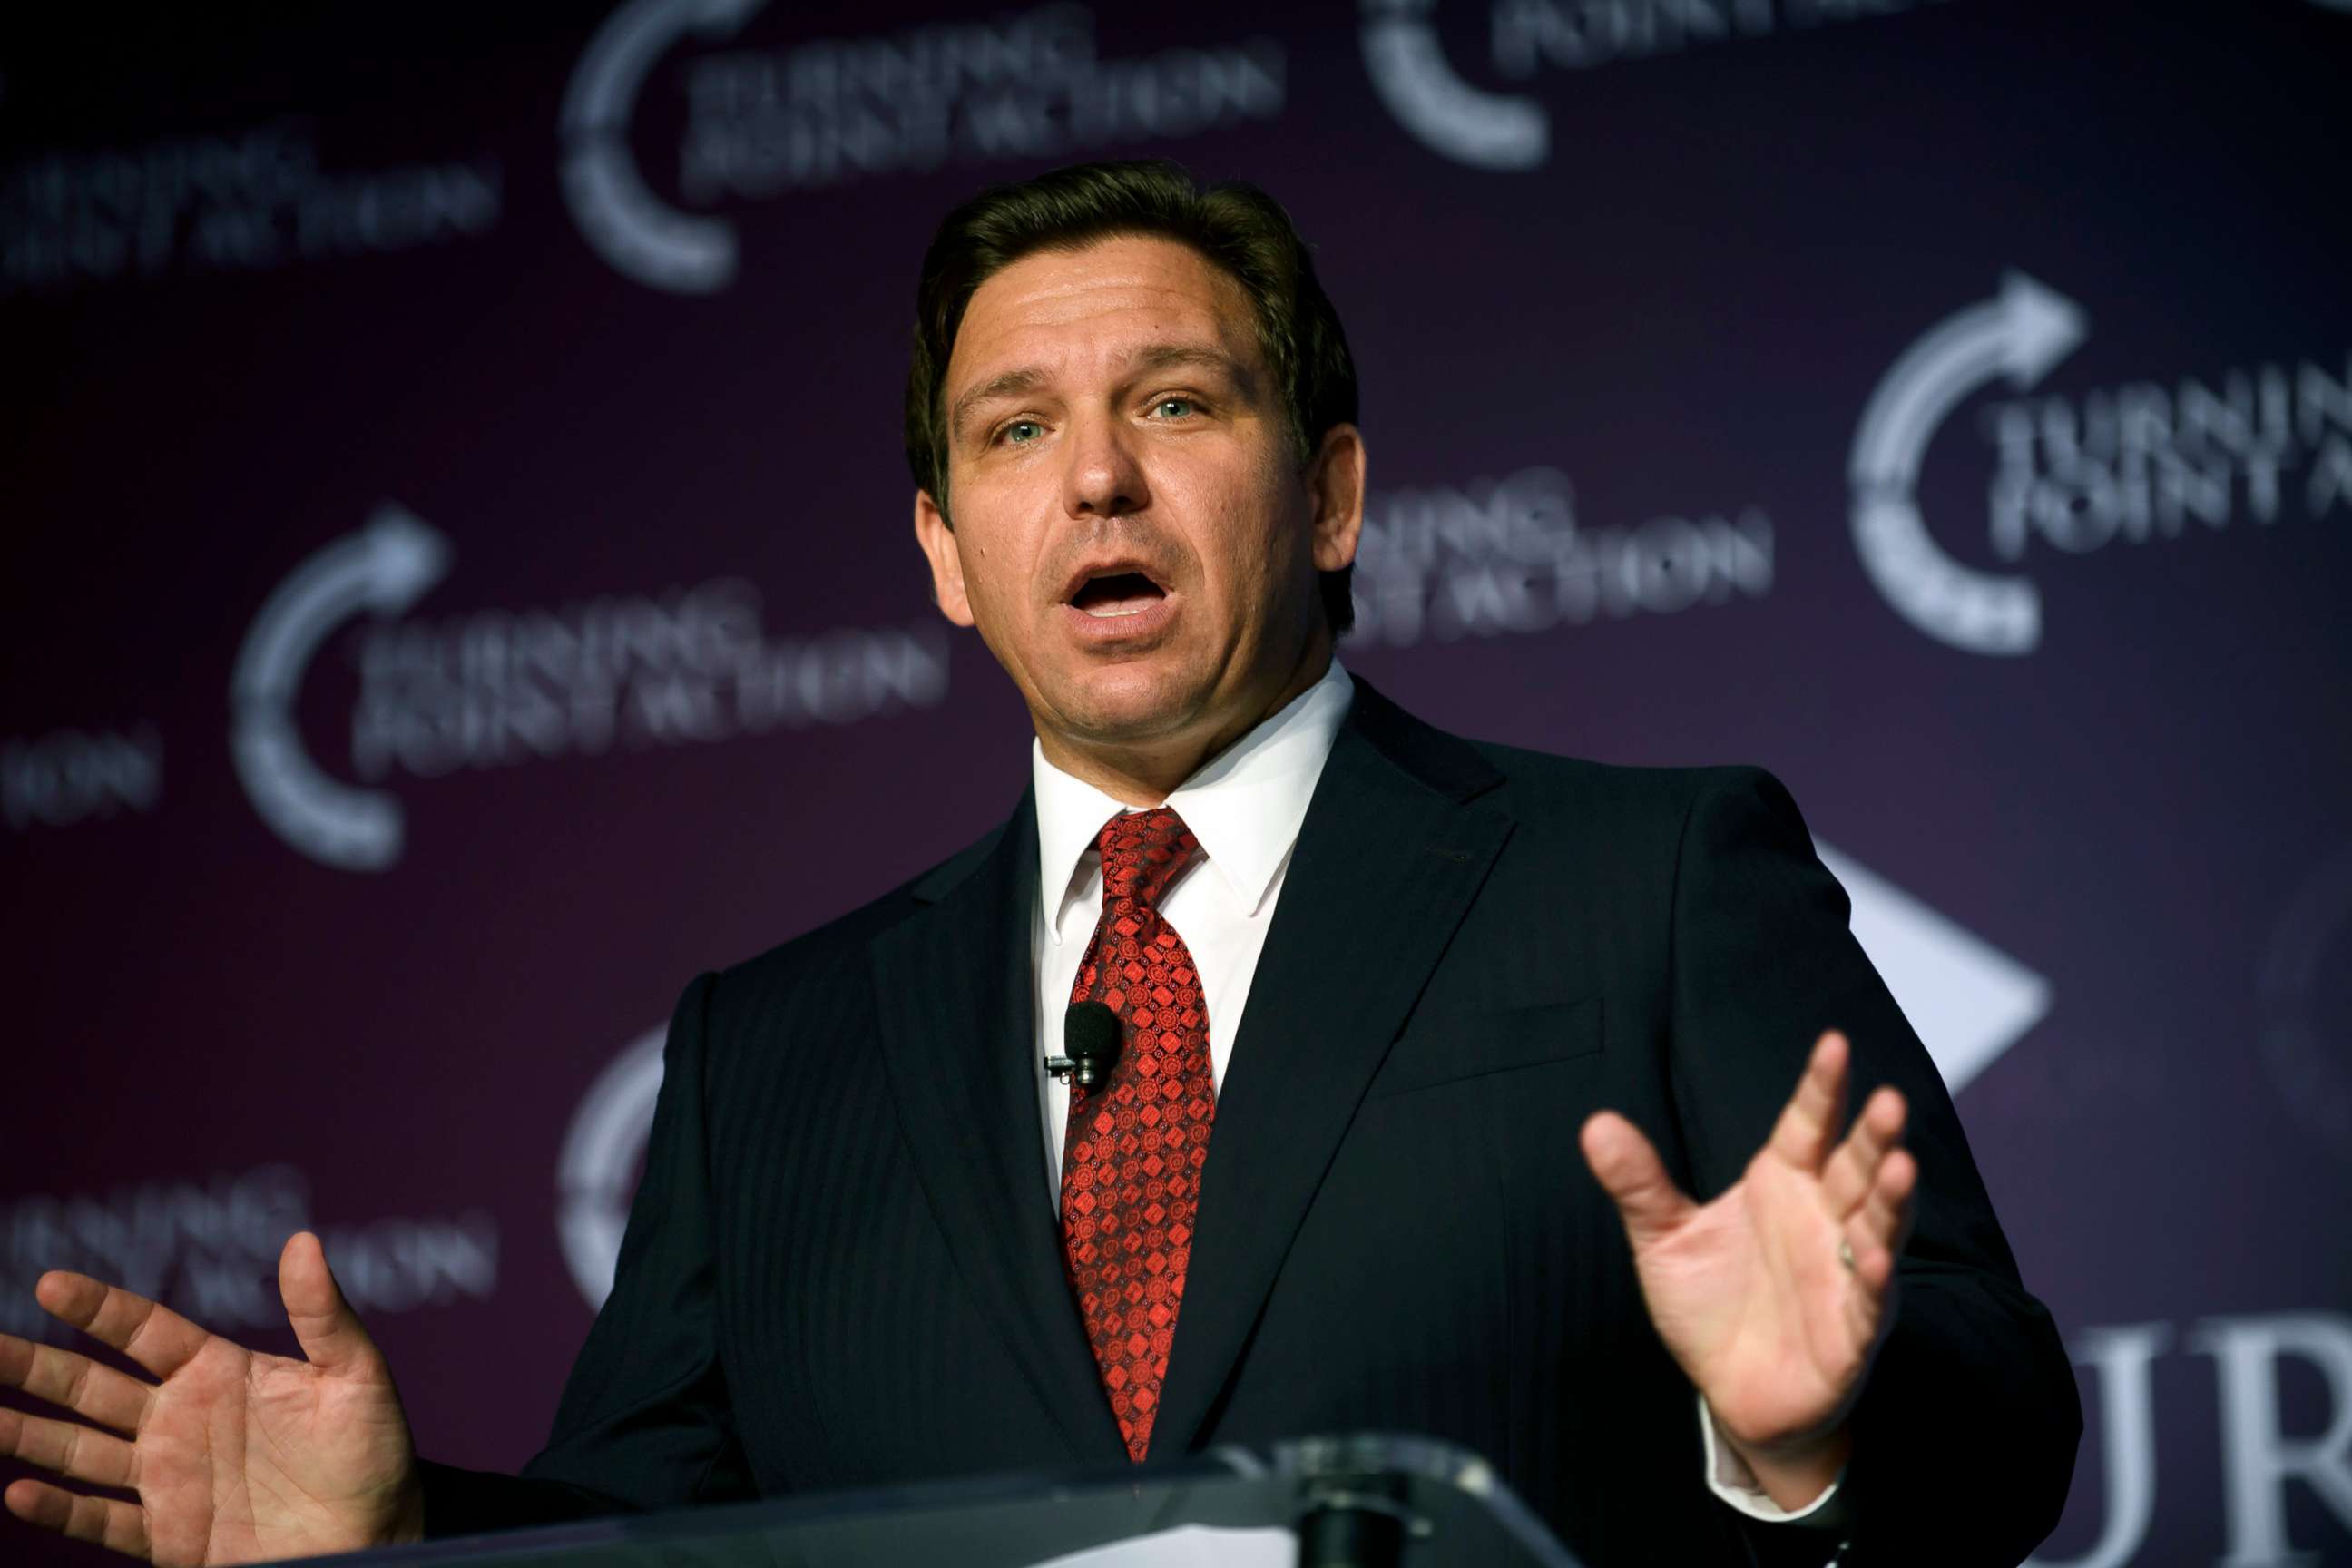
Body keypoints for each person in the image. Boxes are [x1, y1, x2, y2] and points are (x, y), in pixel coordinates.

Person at [0, 160, 2080, 1566]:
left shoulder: (1641, 878)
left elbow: (2002, 1415)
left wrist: (1797, 1443)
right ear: (941, 558)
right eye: (1011, 431)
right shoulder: (775, 1055)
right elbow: (661, 1553)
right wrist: (401, 1547)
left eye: (1176, 400)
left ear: (1334, 490)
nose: (1094, 471)